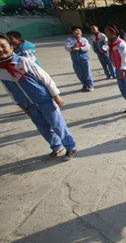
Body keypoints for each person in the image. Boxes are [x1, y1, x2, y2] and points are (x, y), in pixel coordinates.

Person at [0, 33, 77, 161]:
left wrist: (55, 95)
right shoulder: (1, 70)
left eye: (3, 46)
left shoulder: (23, 61)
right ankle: (56, 146)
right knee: (43, 127)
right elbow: (9, 90)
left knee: (57, 125)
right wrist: (20, 105)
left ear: (12, 47)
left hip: (44, 100)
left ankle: (70, 146)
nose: (0, 50)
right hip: (29, 105)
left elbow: (44, 77)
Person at [64, 26, 94, 92]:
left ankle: (90, 85)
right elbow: (66, 47)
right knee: (79, 73)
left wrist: (79, 48)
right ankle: (84, 85)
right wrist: (72, 48)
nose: (77, 32)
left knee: (87, 73)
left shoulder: (84, 40)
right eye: (75, 31)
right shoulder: (69, 40)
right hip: (75, 60)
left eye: (79, 31)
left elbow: (87, 48)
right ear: (72, 32)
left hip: (84, 59)